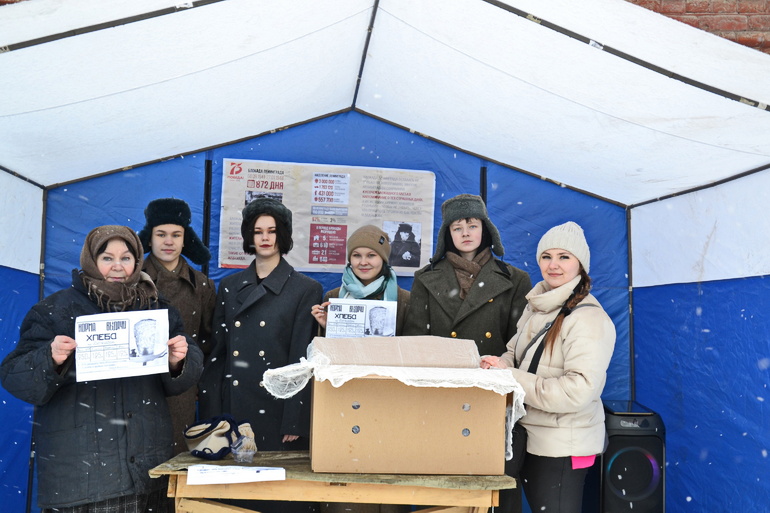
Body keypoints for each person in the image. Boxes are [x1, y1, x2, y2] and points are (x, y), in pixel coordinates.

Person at [0, 225, 203, 513]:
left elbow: (186, 375)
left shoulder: (157, 310)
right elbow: (14, 376)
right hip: (82, 480)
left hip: (148, 474)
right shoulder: (55, 310)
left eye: (126, 258)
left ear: (137, 262)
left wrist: (178, 360)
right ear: (91, 261)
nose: (117, 266)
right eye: (107, 258)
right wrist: (50, 358)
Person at [480, 221, 616, 513]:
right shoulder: (538, 305)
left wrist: (510, 378)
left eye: (564, 257)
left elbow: (577, 392)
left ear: (580, 265)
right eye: (547, 256)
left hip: (563, 446)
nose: (553, 265)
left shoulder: (589, 319)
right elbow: (513, 353)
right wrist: (497, 365)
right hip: (532, 436)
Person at [198, 198, 322, 513]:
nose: (265, 238)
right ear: (249, 237)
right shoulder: (228, 286)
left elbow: (301, 361)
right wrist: (214, 410)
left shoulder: (304, 288)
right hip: (235, 408)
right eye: (257, 231)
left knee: (279, 498)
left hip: (277, 409)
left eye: (272, 231)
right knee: (236, 500)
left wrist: (295, 417)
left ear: (283, 236)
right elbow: (220, 354)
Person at [403, 193, 531, 357]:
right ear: (448, 234)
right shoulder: (425, 278)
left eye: (472, 226)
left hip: (490, 376)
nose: (465, 233)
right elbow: (415, 342)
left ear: (485, 229)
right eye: (457, 228)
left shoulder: (515, 280)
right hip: (441, 375)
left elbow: (518, 347)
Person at [138, 197, 217, 455]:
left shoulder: (202, 285)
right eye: (161, 234)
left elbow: (209, 341)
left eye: (176, 234)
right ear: (149, 238)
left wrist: (196, 385)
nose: (168, 241)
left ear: (185, 239)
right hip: (136, 388)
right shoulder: (130, 279)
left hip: (181, 391)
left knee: (175, 461)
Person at [311, 224, 410, 337]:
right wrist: (327, 327)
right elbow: (325, 351)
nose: (363, 262)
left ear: (383, 259)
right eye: (357, 255)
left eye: (371, 255)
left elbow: (411, 347)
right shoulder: (333, 297)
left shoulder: (404, 300)